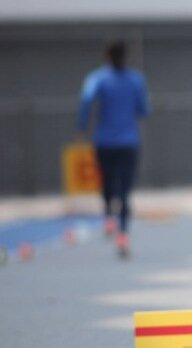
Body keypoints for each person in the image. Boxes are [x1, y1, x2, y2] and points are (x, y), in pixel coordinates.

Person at [77, 40, 150, 258]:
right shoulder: (136, 80)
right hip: (128, 142)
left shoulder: (98, 78)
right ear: (125, 57)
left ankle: (109, 216)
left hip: (105, 141)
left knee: (107, 182)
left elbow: (86, 101)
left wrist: (81, 126)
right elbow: (144, 109)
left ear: (107, 57)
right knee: (125, 192)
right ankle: (123, 234)